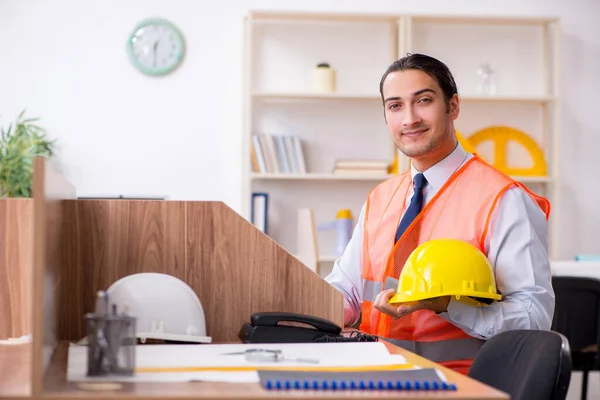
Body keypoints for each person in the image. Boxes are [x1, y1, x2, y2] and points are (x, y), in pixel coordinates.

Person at [325, 53, 555, 375]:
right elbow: (346, 291)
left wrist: (450, 307)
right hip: (378, 379)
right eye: (395, 106)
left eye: (424, 100)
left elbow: (533, 318)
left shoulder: (503, 199)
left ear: (454, 106)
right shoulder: (380, 198)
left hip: (461, 385)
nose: (409, 119)